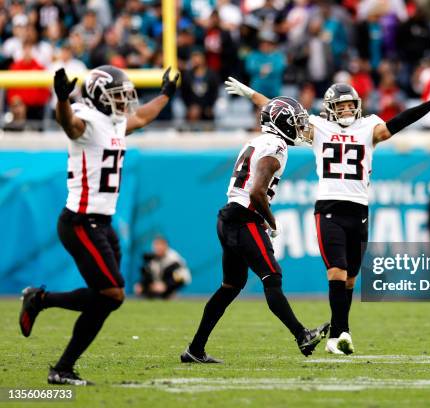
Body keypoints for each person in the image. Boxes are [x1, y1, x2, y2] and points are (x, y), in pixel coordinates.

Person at [224, 73, 430, 355]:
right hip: (329, 206)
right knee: (337, 270)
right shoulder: (318, 126)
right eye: (341, 106)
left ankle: (338, 334)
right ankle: (341, 334)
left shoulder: (369, 126)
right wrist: (251, 93)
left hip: (359, 208)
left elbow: (399, 122)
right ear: (330, 107)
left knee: (350, 279)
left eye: (350, 105)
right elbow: (279, 110)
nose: (346, 110)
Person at [18, 65, 179, 385]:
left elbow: (142, 117)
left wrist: (165, 95)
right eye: (118, 96)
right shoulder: (85, 118)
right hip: (80, 221)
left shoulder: (114, 122)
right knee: (112, 294)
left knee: (104, 300)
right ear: (98, 96)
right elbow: (69, 124)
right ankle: (41, 305)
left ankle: (60, 362)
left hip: (101, 224)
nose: (124, 103)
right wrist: (62, 99)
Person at [182, 97, 330, 364]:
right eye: (296, 122)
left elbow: (246, 190)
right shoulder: (276, 147)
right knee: (271, 277)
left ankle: (195, 349)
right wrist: (271, 220)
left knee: (229, 287)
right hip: (242, 219)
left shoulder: (257, 141)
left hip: (229, 216)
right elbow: (257, 191)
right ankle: (302, 335)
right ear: (283, 123)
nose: (300, 127)